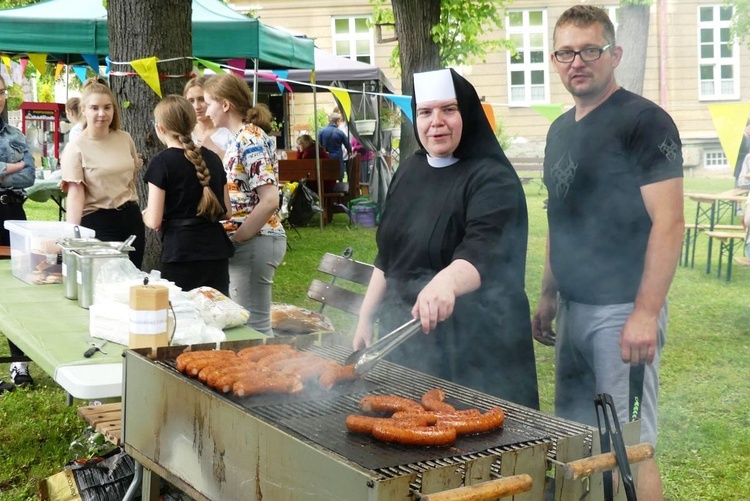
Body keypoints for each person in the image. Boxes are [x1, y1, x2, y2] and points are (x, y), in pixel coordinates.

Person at [531, 6, 684, 500]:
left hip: (623, 314)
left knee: (629, 448)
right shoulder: (558, 131)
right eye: (566, 52)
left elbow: (670, 222)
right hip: (573, 311)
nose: (578, 61)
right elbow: (560, 215)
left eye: (590, 50)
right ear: (555, 60)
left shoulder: (644, 121)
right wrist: (549, 295)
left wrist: (645, 312)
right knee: (580, 443)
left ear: (614, 54)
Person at [352, 68, 539, 409]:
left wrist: (446, 283)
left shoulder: (492, 178)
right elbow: (389, 254)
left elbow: (486, 248)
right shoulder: (409, 171)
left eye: (448, 109)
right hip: (407, 340)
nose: (436, 122)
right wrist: (365, 316)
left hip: (474, 346)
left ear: (466, 113)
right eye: (425, 112)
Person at [203, 73, 286, 335]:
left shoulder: (251, 139)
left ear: (225, 104)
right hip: (251, 241)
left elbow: (270, 199)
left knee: (254, 328)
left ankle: (268, 376)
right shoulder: (240, 138)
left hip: (256, 240)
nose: (206, 111)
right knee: (246, 326)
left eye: (208, 103)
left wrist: (239, 236)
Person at [142, 95, 234, 295]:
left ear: (160, 128)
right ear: (193, 124)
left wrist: (144, 214)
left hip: (181, 253)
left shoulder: (161, 162)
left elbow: (154, 219)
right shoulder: (213, 159)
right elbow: (226, 212)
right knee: (217, 314)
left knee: (183, 316)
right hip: (215, 251)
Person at [61, 77, 145, 268]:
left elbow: (130, 176)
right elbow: (75, 196)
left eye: (107, 107)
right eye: (94, 108)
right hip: (98, 221)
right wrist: (72, 238)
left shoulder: (125, 138)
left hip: (131, 218)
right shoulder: (76, 148)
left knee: (133, 277)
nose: (102, 113)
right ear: (83, 109)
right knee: (106, 280)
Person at [0, 74, 36, 392]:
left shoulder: (15, 134)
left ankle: (18, 365)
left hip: (12, 214)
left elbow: (31, 176)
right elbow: (19, 170)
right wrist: (11, 168)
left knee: (15, 288)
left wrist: (4, 173)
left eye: (0, 92)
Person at [183, 77, 234, 159]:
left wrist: (216, 150)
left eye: (201, 99)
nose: (196, 106)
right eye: (191, 101)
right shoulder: (185, 133)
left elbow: (236, 168)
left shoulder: (228, 132)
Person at [318, 112, 351, 180]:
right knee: (339, 176)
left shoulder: (321, 131)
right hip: (337, 158)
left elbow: (318, 145)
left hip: (325, 157)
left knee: (327, 176)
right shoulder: (340, 132)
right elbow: (348, 145)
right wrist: (349, 152)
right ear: (338, 121)